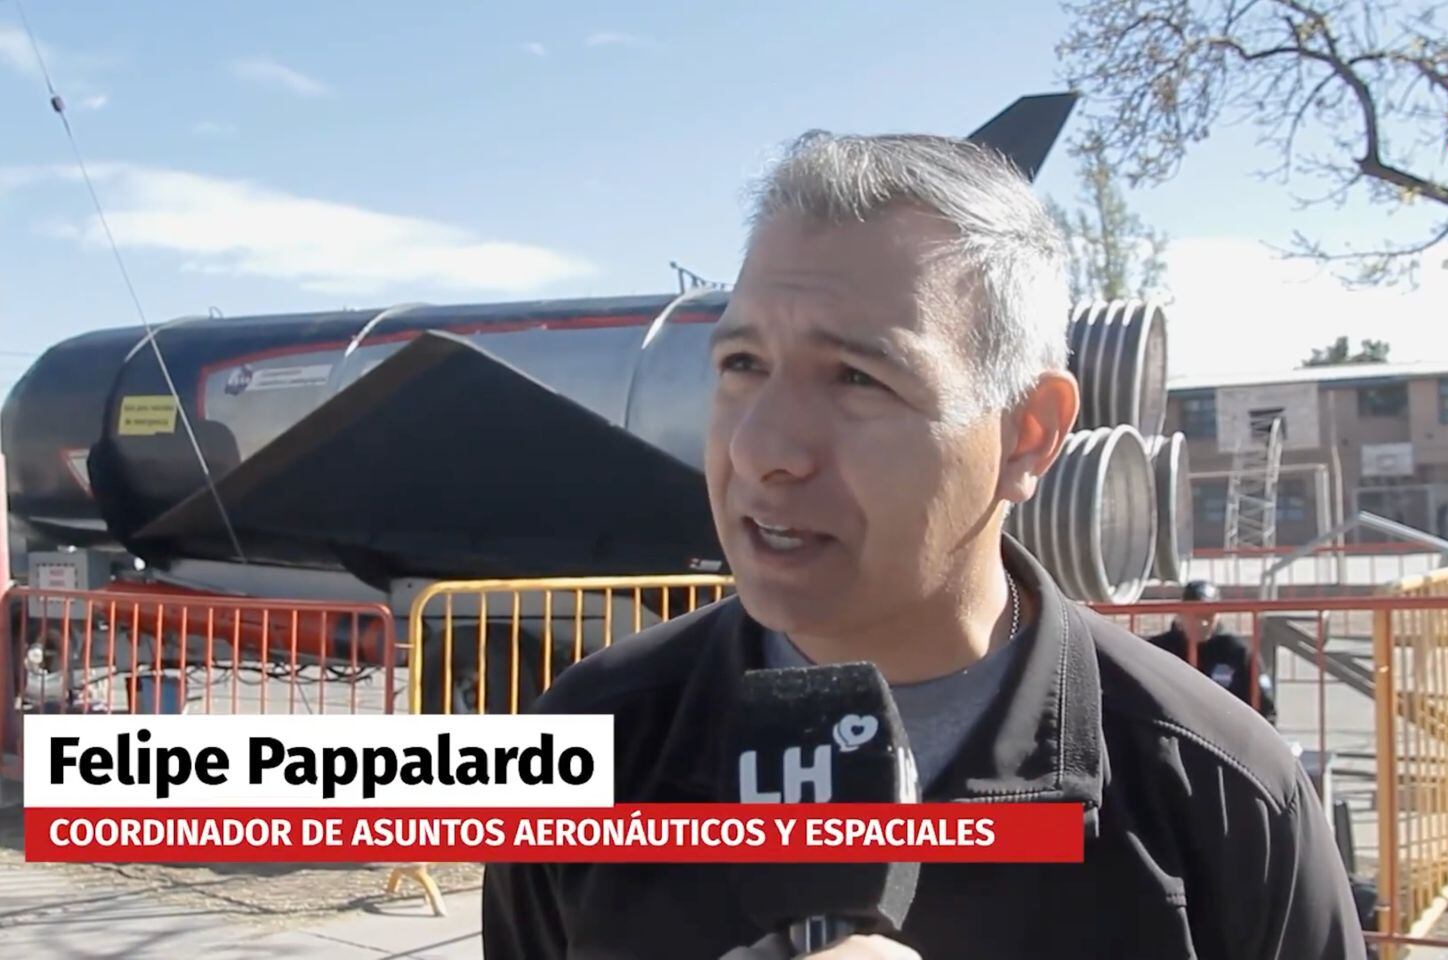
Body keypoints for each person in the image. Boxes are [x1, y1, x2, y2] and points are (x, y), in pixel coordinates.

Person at [482, 130, 1364, 958]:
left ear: (1027, 433)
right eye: (741, 364)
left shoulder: (1222, 792)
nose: (759, 449)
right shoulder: (591, 739)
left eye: (858, 378)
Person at [1149, 579, 1279, 726]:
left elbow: (1265, 707)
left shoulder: (1237, 652)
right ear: (1180, 613)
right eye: (1194, 615)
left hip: (1224, 738)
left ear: (1219, 615)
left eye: (1208, 615)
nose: (1201, 623)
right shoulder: (1159, 649)